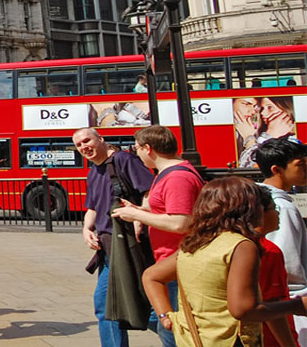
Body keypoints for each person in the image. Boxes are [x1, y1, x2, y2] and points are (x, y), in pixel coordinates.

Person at [142, 177, 307, 347]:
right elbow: (243, 309)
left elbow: (151, 276)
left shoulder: (196, 244)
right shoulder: (243, 247)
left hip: (194, 340)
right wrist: (297, 305)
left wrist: (165, 316)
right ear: (247, 209)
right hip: (231, 340)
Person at [112, 125, 205, 347]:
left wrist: (136, 215)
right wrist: (140, 210)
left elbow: (180, 222)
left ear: (148, 148)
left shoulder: (176, 178)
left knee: (171, 330)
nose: (137, 154)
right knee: (159, 320)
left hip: (178, 264)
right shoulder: (166, 174)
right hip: (169, 261)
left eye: (137, 149)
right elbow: (168, 212)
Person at [74, 127, 157, 347]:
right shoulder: (94, 171)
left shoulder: (123, 160)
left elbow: (148, 192)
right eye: (79, 145)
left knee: (145, 307)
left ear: (101, 139)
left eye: (87, 141)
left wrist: (141, 217)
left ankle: (181, 336)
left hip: (129, 244)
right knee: (105, 305)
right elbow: (92, 207)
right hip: (109, 248)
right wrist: (86, 229)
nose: (84, 147)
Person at [257, 138, 307, 343]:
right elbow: (287, 263)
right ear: (277, 169)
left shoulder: (270, 200)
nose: (306, 168)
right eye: (300, 165)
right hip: (291, 303)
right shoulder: (281, 208)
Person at [254, 184, 301, 347]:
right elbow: (272, 307)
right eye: (274, 208)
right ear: (260, 214)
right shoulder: (267, 251)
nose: (278, 213)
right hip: (271, 340)